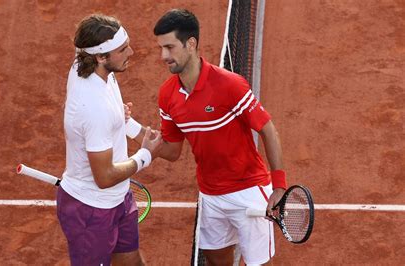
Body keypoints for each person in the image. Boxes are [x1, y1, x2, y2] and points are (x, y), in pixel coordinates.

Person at [129, 9, 287, 265]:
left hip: (248, 190)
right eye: (161, 48)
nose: (163, 56)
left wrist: (278, 185)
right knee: (216, 262)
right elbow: (171, 150)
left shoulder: (230, 85)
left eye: (169, 47)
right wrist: (129, 126)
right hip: (210, 195)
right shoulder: (168, 95)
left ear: (190, 44)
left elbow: (267, 129)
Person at [57, 14, 162, 266]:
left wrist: (119, 115)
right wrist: (145, 155)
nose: (132, 52)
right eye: (123, 50)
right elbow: (103, 177)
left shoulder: (89, 62)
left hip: (119, 199)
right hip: (91, 212)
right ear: (100, 57)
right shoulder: (94, 107)